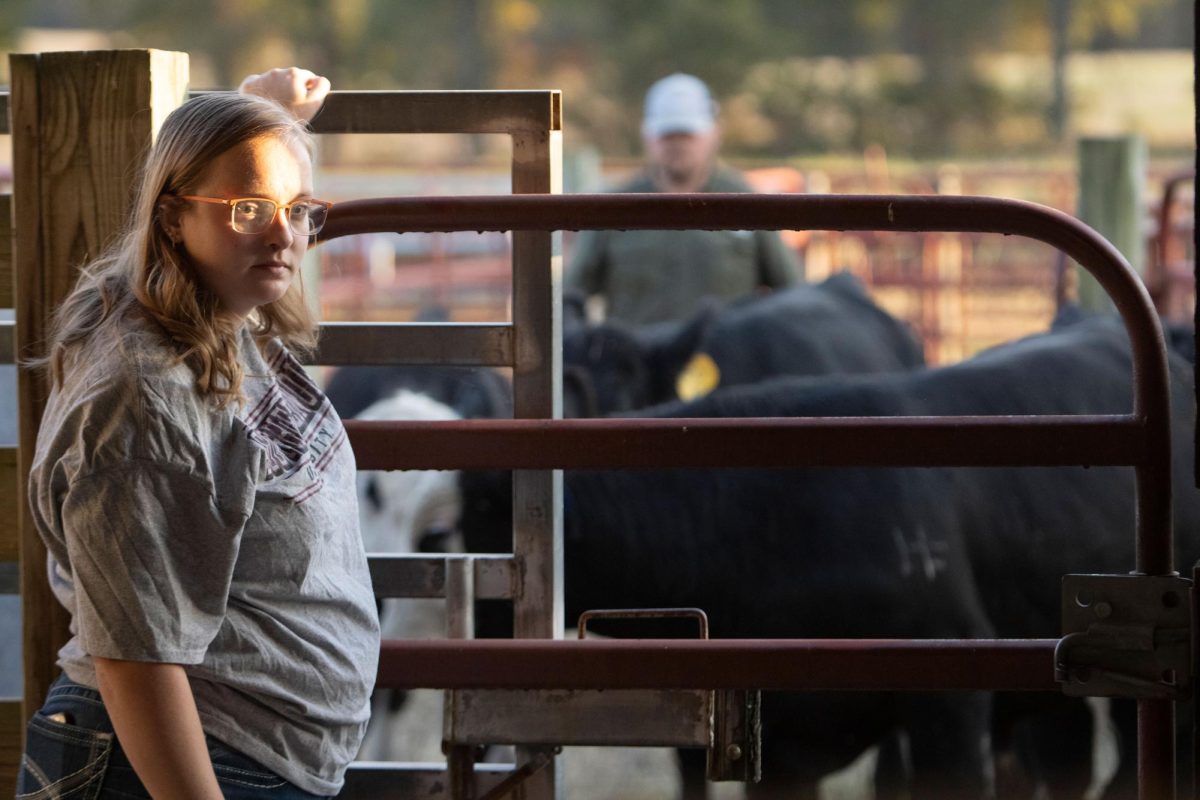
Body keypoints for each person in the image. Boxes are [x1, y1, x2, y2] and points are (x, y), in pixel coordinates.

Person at [17, 68, 379, 799]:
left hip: (242, 753)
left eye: (299, 208)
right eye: (251, 209)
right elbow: (135, 661)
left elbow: (225, 193)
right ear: (173, 218)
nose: (284, 233)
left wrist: (262, 119)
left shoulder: (200, 311)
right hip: (176, 765)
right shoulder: (142, 405)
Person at [565, 72, 802, 325]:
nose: (677, 144)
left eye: (687, 134)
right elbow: (569, 298)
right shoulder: (614, 207)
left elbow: (792, 291)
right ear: (647, 136)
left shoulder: (747, 202)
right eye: (668, 135)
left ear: (714, 133)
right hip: (640, 359)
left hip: (722, 358)